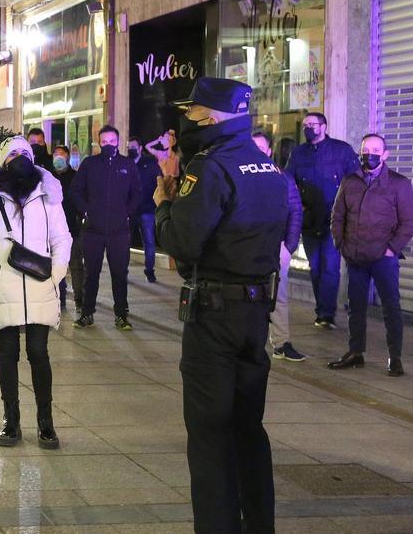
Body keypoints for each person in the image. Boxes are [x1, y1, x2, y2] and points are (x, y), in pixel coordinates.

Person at [154, 77, 286, 534]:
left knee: (210, 437)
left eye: (191, 112)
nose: (186, 120)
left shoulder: (209, 168)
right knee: (250, 430)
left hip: (214, 317)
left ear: (211, 117)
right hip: (256, 314)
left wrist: (163, 203)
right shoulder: (267, 167)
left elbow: (181, 242)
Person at [0, 137, 71, 449]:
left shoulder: (47, 192)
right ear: (3, 159)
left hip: (41, 284)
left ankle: (45, 423)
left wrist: (56, 275)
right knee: (8, 354)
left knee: (39, 353)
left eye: (23, 153)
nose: (18, 158)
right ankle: (11, 422)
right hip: (5, 285)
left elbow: (62, 237)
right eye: (12, 153)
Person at [327, 133, 413, 377]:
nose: (370, 154)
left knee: (391, 308)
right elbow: (337, 217)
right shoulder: (350, 181)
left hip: (384, 258)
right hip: (355, 257)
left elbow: (409, 221)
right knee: (355, 307)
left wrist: (392, 249)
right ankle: (355, 353)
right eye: (366, 149)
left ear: (385, 154)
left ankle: (395, 358)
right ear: (360, 152)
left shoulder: (399, 184)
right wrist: (341, 246)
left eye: (376, 150)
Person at [284, 112, 360, 329]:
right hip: (309, 219)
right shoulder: (298, 153)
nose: (308, 128)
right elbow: (289, 181)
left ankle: (326, 314)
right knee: (315, 267)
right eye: (305, 125)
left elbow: (355, 181)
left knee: (329, 267)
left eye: (313, 124)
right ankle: (322, 310)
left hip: (334, 218)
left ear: (324, 127)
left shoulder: (341, 150)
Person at [69, 125, 141, 330]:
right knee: (91, 274)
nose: (108, 144)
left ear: (118, 141)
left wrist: (126, 212)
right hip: (93, 230)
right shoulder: (89, 164)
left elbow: (137, 192)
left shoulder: (127, 164)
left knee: (120, 274)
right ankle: (87, 314)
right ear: (99, 142)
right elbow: (76, 191)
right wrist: (86, 211)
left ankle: (121, 315)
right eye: (104, 141)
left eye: (112, 141)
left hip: (119, 231)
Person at [253, 131, 306, 362]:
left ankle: (281, 343)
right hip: (245, 246)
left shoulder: (283, 177)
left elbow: (295, 212)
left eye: (260, 148)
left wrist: (290, 246)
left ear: (269, 151)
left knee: (278, 296)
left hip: (277, 247)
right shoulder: (238, 175)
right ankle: (251, 342)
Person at [51, 146, 85, 314]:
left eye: (62, 154)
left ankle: (79, 300)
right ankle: (59, 299)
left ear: (68, 157)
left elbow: (81, 202)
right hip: (52, 231)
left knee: (76, 266)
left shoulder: (76, 177)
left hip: (72, 229)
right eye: (56, 154)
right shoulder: (47, 177)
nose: (58, 157)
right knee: (57, 266)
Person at [128, 135, 164, 283]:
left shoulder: (149, 163)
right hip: (130, 210)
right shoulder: (126, 164)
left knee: (149, 241)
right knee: (125, 241)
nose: (131, 150)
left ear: (140, 148)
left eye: (134, 148)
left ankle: (150, 271)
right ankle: (122, 271)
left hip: (147, 209)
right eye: (129, 148)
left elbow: (159, 181)